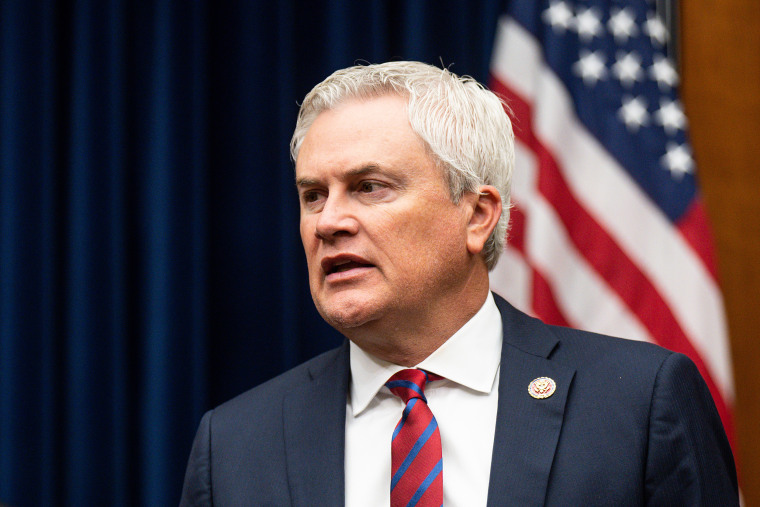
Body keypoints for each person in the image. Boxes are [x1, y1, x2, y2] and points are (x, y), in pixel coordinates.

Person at [180, 61, 738, 506]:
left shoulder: (638, 405)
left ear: (477, 215)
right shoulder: (234, 445)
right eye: (313, 195)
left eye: (369, 187)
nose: (328, 222)